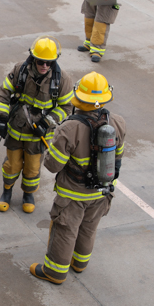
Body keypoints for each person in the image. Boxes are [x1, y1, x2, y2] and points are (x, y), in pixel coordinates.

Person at [30, 72, 126, 285]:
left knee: (65, 230)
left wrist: (52, 147)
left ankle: (54, 272)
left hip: (73, 194)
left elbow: (53, 166)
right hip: (102, 192)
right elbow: (118, 157)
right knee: (88, 228)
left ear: (79, 96)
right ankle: (80, 264)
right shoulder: (117, 122)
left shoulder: (69, 128)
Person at [0, 36, 73, 213]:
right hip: (16, 129)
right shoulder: (20, 70)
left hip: (39, 135)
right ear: (33, 58)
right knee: (12, 165)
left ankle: (28, 194)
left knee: (32, 167)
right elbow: (3, 94)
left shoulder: (62, 80)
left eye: (49, 62)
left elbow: (66, 107)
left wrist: (47, 122)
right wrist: (1, 118)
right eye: (40, 61)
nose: (44, 65)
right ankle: (7, 191)